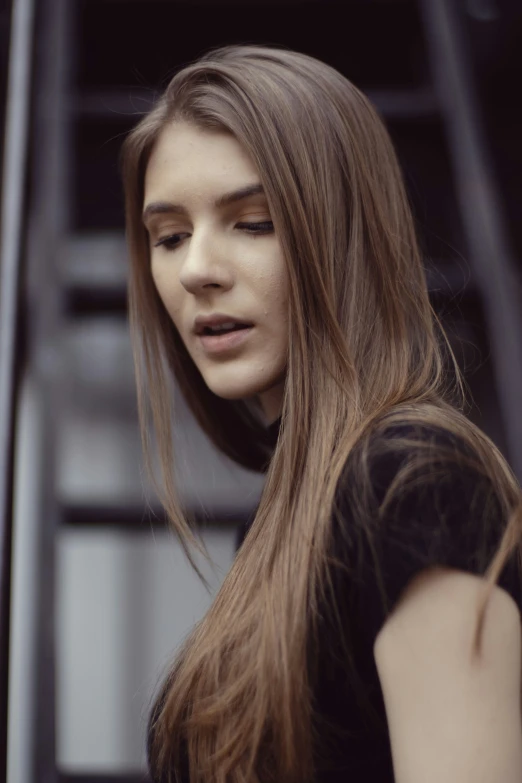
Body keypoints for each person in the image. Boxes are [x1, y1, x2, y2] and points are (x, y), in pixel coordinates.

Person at [119, 44, 522, 783]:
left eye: (254, 222)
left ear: (342, 235)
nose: (197, 269)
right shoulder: (289, 510)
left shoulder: (412, 486)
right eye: (169, 236)